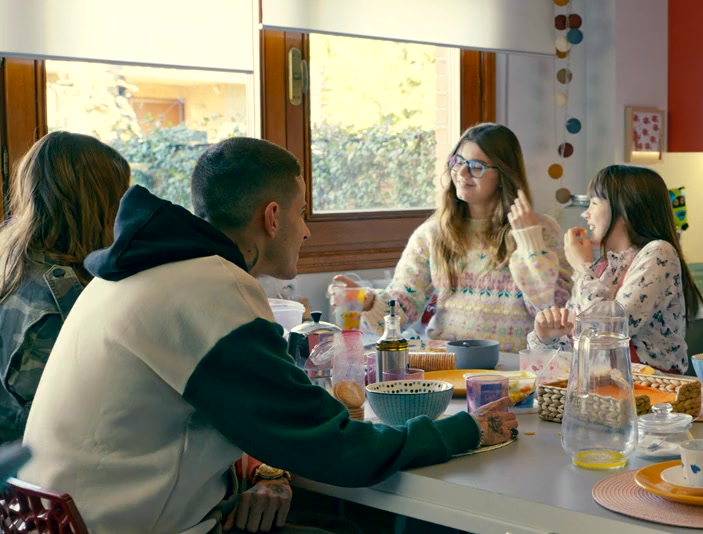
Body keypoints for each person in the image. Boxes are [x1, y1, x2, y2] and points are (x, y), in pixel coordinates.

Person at [20, 138, 518, 534]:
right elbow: (332, 448)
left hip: (59, 518)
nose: (307, 231)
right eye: (302, 213)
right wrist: (467, 430)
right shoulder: (210, 287)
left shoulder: (141, 271)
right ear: (273, 216)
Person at [337, 123, 571, 352]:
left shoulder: (541, 231)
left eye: (476, 166)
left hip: (513, 367)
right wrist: (368, 302)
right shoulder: (432, 234)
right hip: (446, 363)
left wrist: (529, 241)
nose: (461, 172)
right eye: (457, 161)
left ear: (504, 175)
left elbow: (552, 311)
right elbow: (401, 311)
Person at [0, 132, 130, 443]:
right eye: (122, 197)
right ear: (101, 204)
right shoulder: (64, 295)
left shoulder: (12, 262)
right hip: (38, 466)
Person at [528, 165, 703, 374]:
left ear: (624, 209)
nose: (586, 214)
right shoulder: (604, 267)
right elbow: (579, 344)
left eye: (594, 203)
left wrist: (583, 268)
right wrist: (546, 337)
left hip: (651, 388)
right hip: (607, 385)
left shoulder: (659, 253)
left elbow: (609, 331)